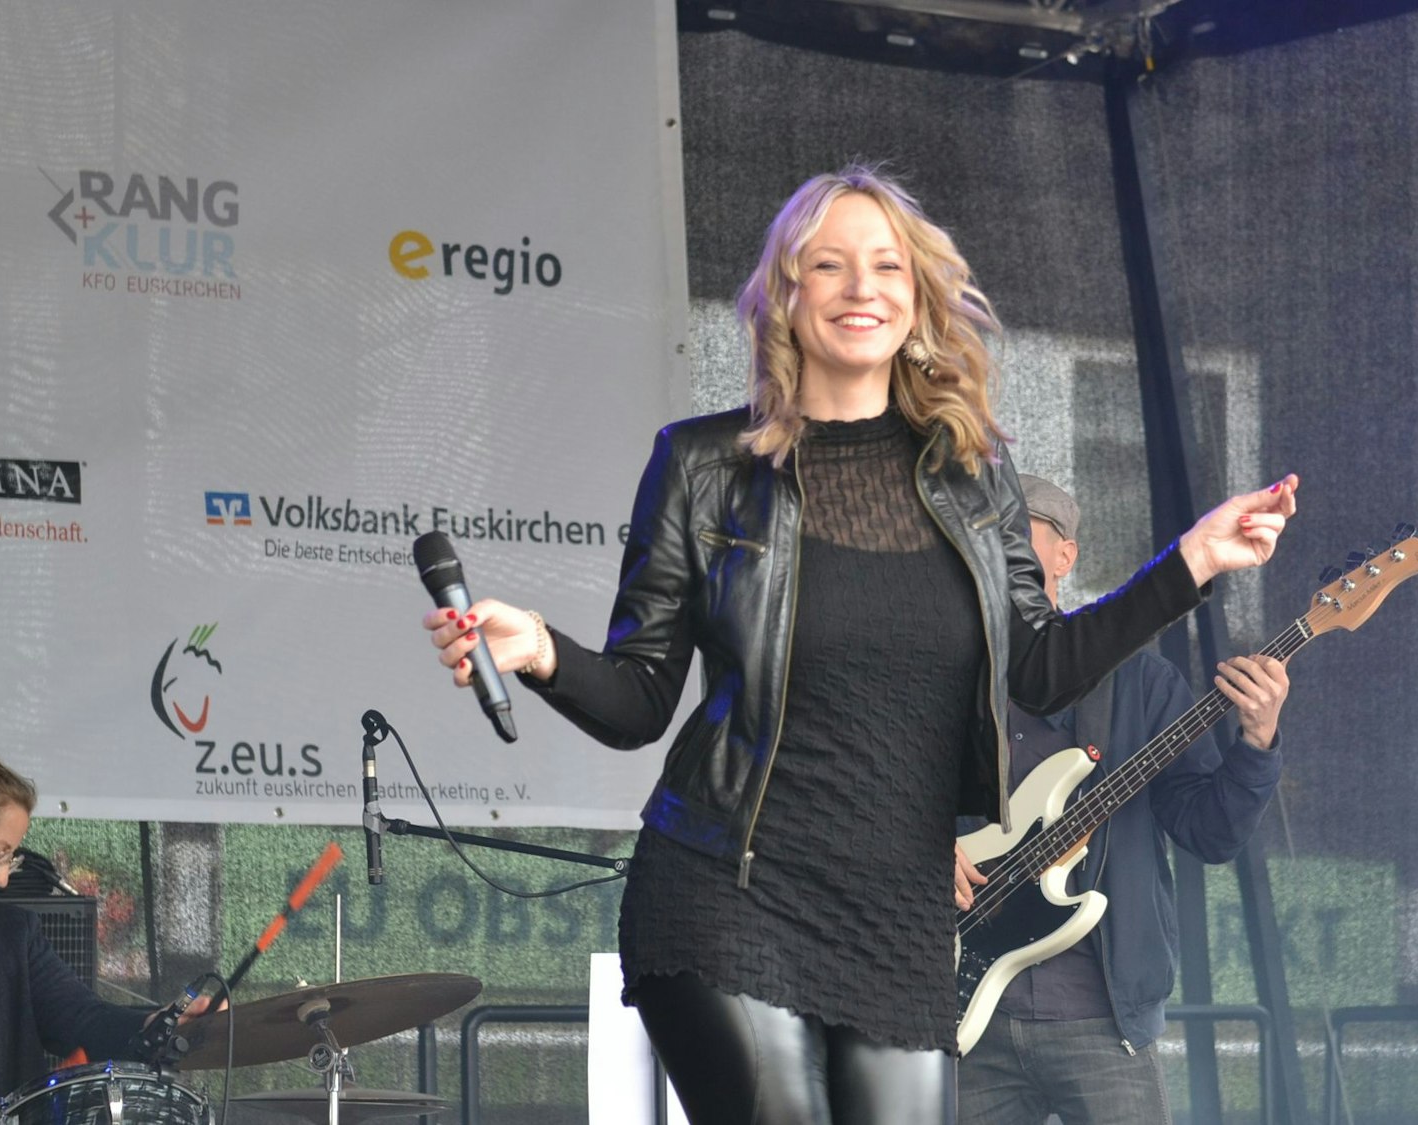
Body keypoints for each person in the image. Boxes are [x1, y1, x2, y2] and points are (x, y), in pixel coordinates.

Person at [422, 165, 1299, 1124]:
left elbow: (1041, 665)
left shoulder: (973, 475)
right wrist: (541, 647)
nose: (860, 288)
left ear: (916, 295)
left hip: (898, 915)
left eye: (884, 265)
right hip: (730, 892)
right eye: (828, 265)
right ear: (785, 295)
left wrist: (1190, 562)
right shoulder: (702, 465)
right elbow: (639, 700)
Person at [953, 476, 1290, 1124]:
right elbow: (888, 795)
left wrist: (1258, 737)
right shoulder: (951, 680)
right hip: (965, 1016)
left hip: (1103, 1021)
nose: (995, 554)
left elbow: (1210, 833)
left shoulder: (1139, 683)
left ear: (1063, 556)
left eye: (1014, 537)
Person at [0, 747, 215, 1121]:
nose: (1, 877)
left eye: (9, 860)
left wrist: (152, 1025)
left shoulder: (10, 937)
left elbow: (83, 1018)